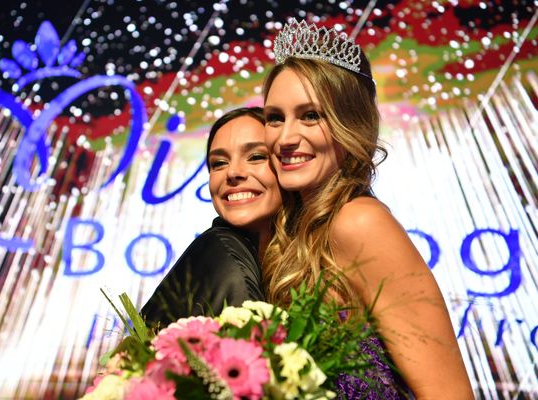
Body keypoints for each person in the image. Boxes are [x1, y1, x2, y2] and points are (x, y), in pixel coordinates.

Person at [261, 19, 474, 399]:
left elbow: (449, 393)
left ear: (350, 124)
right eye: (275, 117)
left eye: (311, 115)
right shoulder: (297, 232)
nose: (286, 138)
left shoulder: (360, 222)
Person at [141, 107, 282, 326]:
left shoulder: (317, 257)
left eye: (255, 157)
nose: (233, 172)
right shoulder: (221, 253)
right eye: (219, 163)